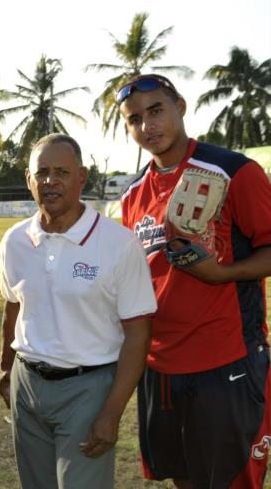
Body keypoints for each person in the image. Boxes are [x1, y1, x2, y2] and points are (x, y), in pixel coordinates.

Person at [117, 74, 271, 488]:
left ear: (180, 106)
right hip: (159, 367)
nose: (146, 126)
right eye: (134, 119)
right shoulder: (132, 194)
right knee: (182, 477)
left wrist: (221, 274)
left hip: (226, 362)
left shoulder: (234, 171)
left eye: (155, 111)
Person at [0, 133, 156, 488]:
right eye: (41, 173)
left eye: (61, 172)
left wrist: (112, 411)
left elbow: (138, 331)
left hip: (89, 388)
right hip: (28, 383)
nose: (50, 181)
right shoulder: (15, 241)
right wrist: (6, 367)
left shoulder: (118, 243)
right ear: (28, 179)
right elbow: (13, 306)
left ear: (81, 177)